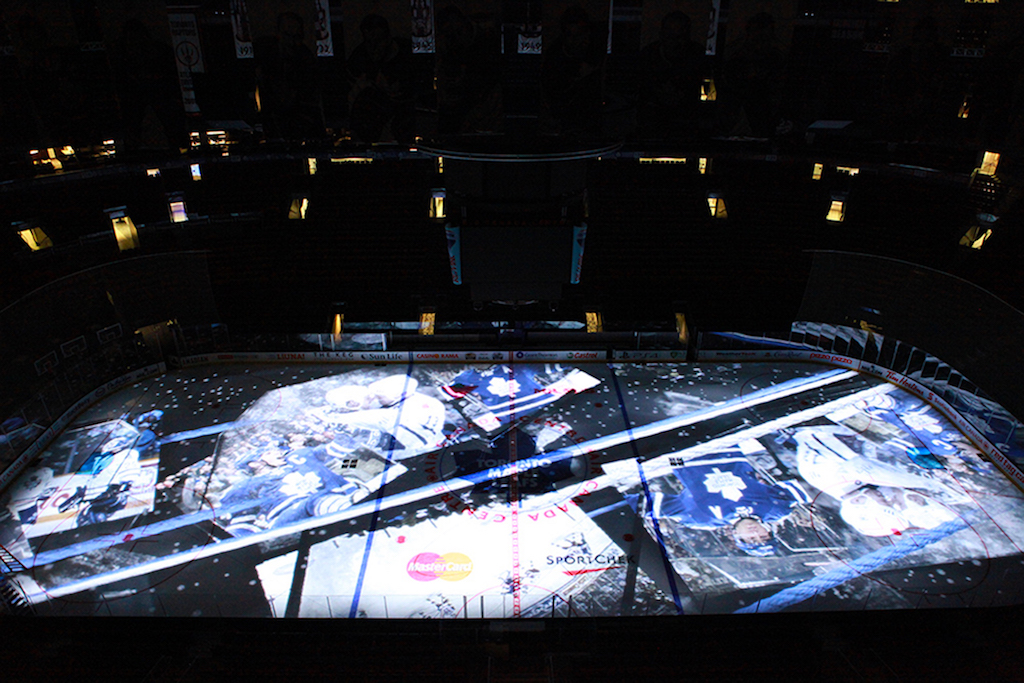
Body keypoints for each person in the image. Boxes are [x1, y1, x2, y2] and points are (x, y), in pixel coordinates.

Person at [639, 447, 812, 556]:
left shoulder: (703, 519)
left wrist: (625, 509)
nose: (755, 533)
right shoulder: (775, 509)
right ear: (769, 530)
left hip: (682, 456)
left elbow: (650, 505)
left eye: (751, 539)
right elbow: (809, 487)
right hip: (726, 447)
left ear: (737, 537)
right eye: (763, 536)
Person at [346, 15, 415, 143]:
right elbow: (351, 99)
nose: (374, 47)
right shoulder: (358, 59)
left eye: (378, 40)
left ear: (388, 38)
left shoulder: (407, 53)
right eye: (369, 42)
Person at [637, 12, 706, 139]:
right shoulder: (648, 56)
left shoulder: (698, 56)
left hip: (687, 123)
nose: (675, 40)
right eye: (670, 34)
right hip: (652, 123)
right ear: (662, 34)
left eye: (680, 34)